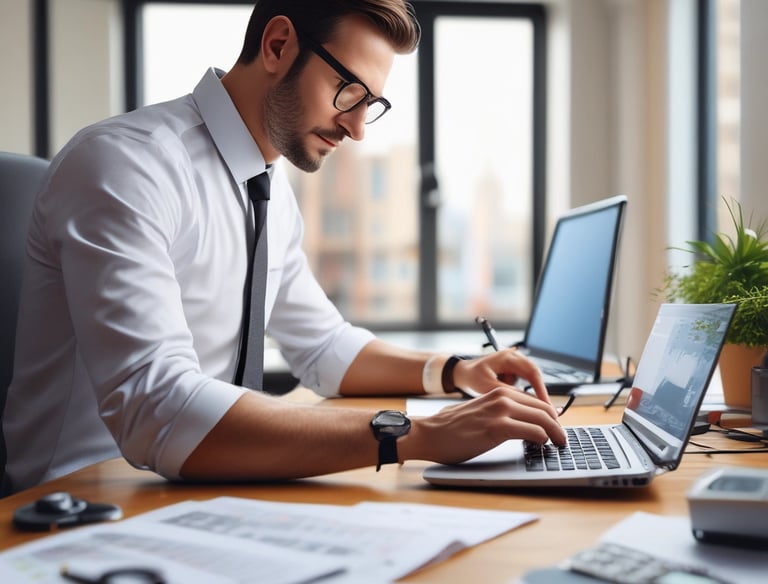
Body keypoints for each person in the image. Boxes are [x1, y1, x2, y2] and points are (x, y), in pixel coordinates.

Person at [2, 0, 565, 494]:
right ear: (277, 45)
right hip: (83, 505)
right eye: (350, 91)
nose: (359, 128)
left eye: (373, 103)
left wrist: (455, 370)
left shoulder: (267, 188)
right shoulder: (128, 167)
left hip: (191, 491)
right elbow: (159, 409)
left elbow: (323, 349)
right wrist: (416, 433)